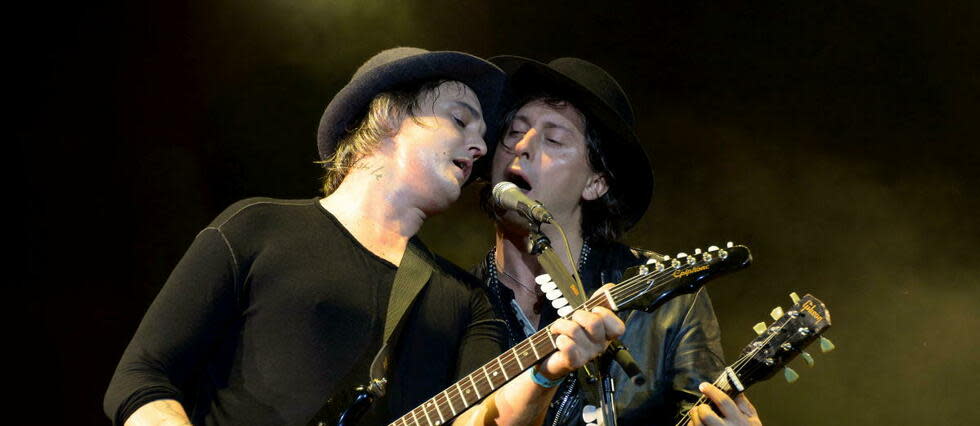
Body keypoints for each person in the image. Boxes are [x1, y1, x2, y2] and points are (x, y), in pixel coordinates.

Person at [104, 48, 626, 426]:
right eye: (459, 120)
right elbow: (141, 380)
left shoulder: (464, 300)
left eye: (482, 134)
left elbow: (482, 420)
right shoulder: (256, 228)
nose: (480, 146)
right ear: (390, 116)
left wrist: (544, 373)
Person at [473, 56, 764, 426]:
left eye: (554, 139)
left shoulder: (669, 302)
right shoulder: (455, 301)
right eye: (514, 132)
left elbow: (698, 410)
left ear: (596, 183)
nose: (523, 146)